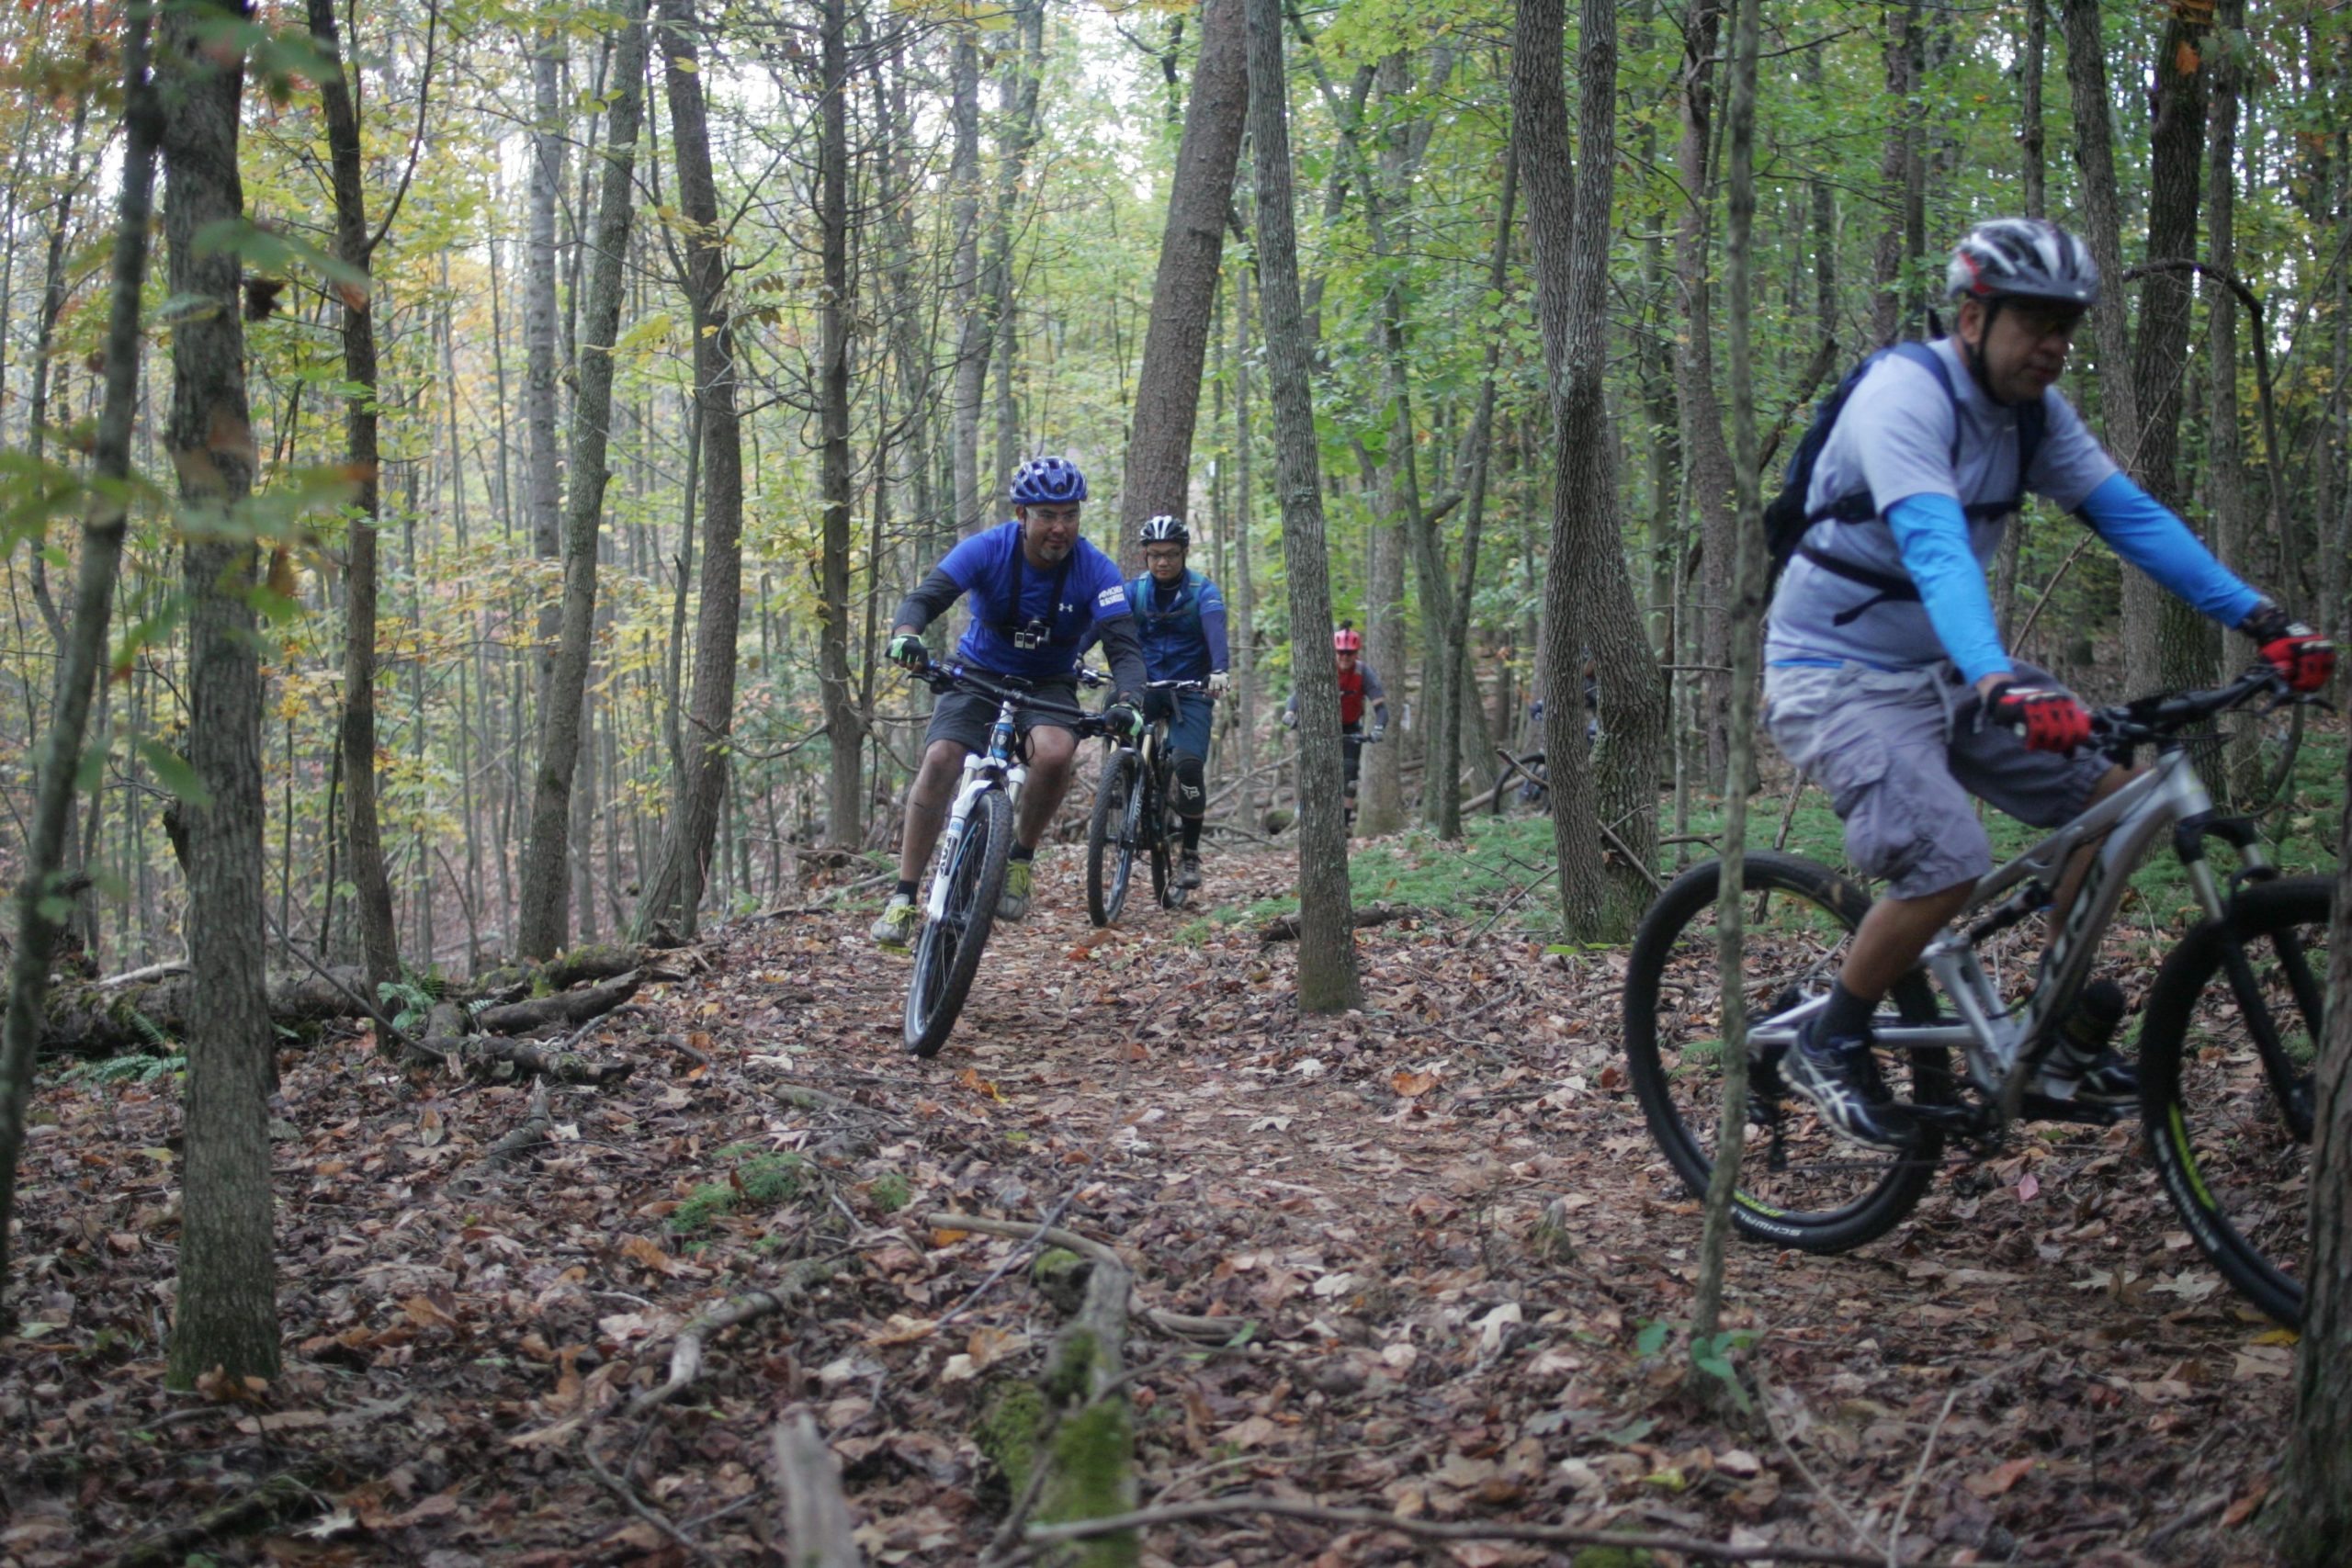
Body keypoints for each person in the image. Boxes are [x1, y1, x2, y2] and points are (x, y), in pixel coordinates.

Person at [1762, 217, 2334, 1149]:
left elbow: (2129, 517)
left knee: (2107, 810)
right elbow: (1935, 547)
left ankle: (2046, 1041)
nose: (2055, 345)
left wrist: (2262, 621)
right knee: (1947, 858)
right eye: (2036, 323)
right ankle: (1834, 1034)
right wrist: (1997, 677)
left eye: (2066, 326)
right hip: (1838, 673)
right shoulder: (1902, 398)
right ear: (1973, 316)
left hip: (1948, 666)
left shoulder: (2033, 415)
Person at [869, 457, 1149, 950]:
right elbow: (925, 598)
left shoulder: (1097, 570)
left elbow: (1124, 648)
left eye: (1070, 515)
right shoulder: (986, 549)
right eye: (1047, 515)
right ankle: (904, 896)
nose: (1059, 528)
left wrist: (1127, 701)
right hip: (978, 671)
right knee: (940, 759)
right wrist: (907, 636)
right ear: (1022, 515)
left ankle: (1020, 858)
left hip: (1048, 681)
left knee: (1057, 752)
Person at [1117, 515, 1231, 890]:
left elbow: (1215, 631)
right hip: (1146, 685)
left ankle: (1191, 854)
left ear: (1183, 553)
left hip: (1191, 689)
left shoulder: (1203, 591)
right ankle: (1125, 778)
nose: (1162, 562)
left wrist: (1219, 670)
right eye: (1154, 555)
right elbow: (1106, 627)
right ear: (1145, 556)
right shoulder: (1135, 591)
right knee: (1114, 715)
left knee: (1187, 766)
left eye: (1169, 555)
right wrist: (1074, 656)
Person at [1283, 625, 1387, 811]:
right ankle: (1307, 808)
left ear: (1356, 653)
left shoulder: (1363, 673)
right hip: (1321, 728)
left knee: (1349, 773)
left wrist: (1378, 728)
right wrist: (1290, 713)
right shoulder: (1322, 669)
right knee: (1315, 768)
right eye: (1341, 652)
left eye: (1350, 653)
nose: (1345, 657)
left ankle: (1345, 824)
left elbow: (1380, 707)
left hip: (1350, 727)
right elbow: (1300, 693)